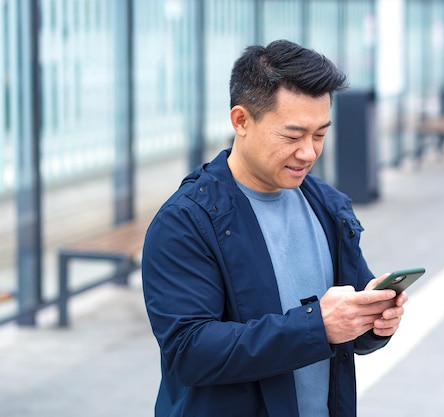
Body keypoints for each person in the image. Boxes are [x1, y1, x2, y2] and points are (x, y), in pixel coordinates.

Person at [142, 39, 409, 417]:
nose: (309, 152)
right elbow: (190, 351)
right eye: (292, 135)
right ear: (241, 121)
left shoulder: (327, 204)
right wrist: (318, 326)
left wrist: (373, 321)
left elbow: (345, 323)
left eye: (319, 135)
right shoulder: (185, 221)